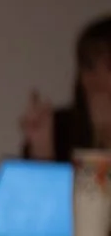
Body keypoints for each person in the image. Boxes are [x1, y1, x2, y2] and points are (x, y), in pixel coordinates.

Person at [19, 15, 111, 162]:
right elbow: (39, 184)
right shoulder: (61, 127)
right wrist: (41, 150)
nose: (95, 78)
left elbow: (96, 185)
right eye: (88, 66)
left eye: (109, 67)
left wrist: (104, 137)